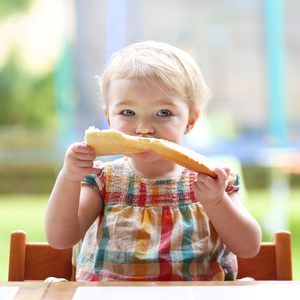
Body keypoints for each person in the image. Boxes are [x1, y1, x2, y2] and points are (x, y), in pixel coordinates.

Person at [45, 41, 261, 281]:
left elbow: (248, 247)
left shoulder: (213, 179)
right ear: (108, 116)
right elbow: (60, 239)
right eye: (128, 113)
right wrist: (68, 178)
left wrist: (217, 201)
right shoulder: (102, 181)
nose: (144, 128)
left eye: (163, 113)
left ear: (190, 120)